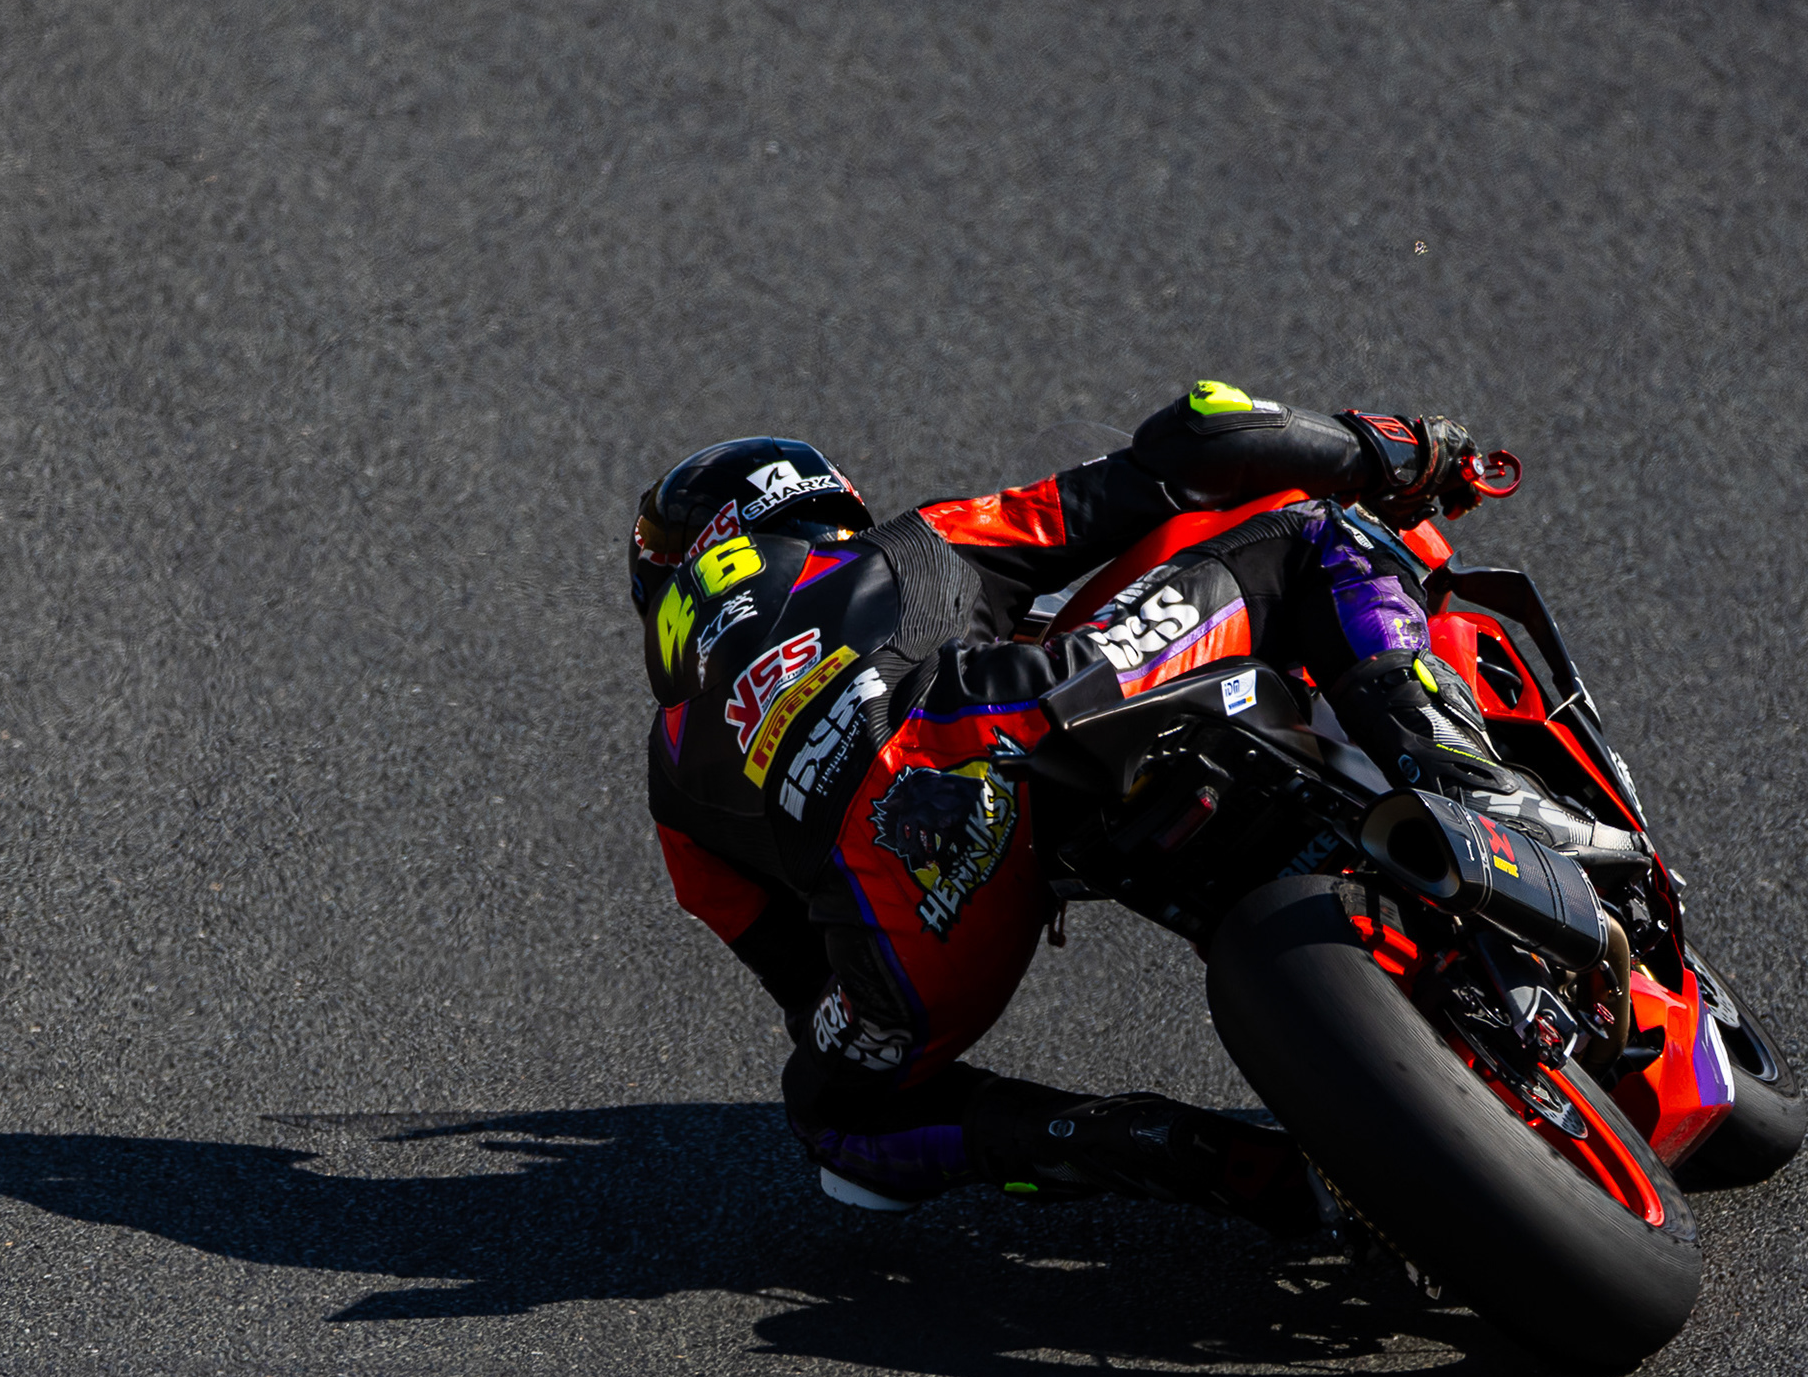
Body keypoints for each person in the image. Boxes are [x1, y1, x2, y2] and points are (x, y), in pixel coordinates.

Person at [632, 383, 1571, 1225]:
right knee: (1312, 534)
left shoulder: (670, 776)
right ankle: (1476, 793)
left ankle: (1171, 1152)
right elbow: (1197, 442)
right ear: (819, 508)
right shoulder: (905, 547)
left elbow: (799, 985)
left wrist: (881, 970)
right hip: (1015, 726)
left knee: (835, 1119)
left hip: (908, 937)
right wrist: (1399, 450)